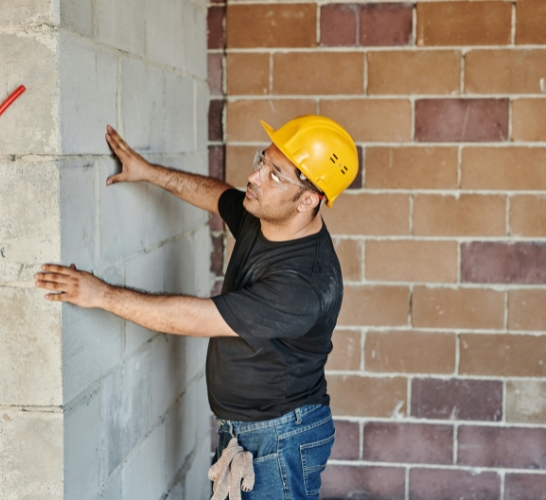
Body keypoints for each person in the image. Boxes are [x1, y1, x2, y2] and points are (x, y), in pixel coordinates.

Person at [34, 115, 359, 499]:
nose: (254, 177)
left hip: (279, 439)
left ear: (309, 199)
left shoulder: (303, 285)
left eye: (274, 175)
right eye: (262, 161)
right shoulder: (267, 215)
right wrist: (150, 172)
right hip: (249, 431)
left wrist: (100, 294)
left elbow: (195, 317)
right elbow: (218, 196)